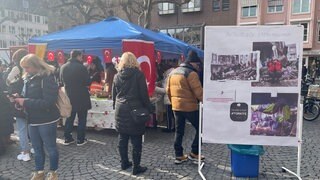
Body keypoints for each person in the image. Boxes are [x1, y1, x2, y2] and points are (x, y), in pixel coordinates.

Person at [14, 54, 60, 180]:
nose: (25, 70)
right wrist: (19, 100)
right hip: (32, 119)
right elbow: (28, 97)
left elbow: (48, 102)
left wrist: (25, 101)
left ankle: (53, 172)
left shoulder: (47, 77)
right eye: (24, 68)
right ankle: (39, 172)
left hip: (47, 119)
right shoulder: (28, 78)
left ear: (35, 65)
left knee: (50, 147)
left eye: (27, 67)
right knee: (37, 148)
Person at [112, 52, 152, 175]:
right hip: (135, 110)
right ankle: (136, 166)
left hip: (120, 109)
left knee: (122, 138)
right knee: (136, 139)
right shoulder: (138, 75)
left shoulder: (117, 76)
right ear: (134, 61)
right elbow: (144, 95)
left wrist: (115, 106)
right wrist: (150, 108)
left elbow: (114, 95)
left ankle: (124, 162)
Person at [166, 50, 204, 164]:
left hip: (176, 107)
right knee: (201, 128)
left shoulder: (173, 72)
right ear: (192, 63)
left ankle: (179, 155)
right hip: (189, 107)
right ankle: (194, 152)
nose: (198, 67)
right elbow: (199, 93)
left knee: (179, 131)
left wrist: (173, 102)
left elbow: (168, 90)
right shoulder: (191, 74)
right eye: (197, 64)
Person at [60, 50, 91, 146]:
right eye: (81, 57)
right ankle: (80, 140)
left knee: (70, 118)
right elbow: (87, 82)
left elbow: (61, 81)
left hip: (69, 95)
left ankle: (67, 138)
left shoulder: (63, 67)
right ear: (78, 56)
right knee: (82, 118)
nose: (82, 58)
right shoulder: (82, 67)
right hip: (81, 96)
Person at [6, 49, 31, 162]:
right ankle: (35, 147)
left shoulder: (16, 68)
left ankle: (25, 152)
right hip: (30, 100)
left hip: (18, 100)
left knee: (22, 128)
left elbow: (7, 80)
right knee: (31, 126)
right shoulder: (31, 68)